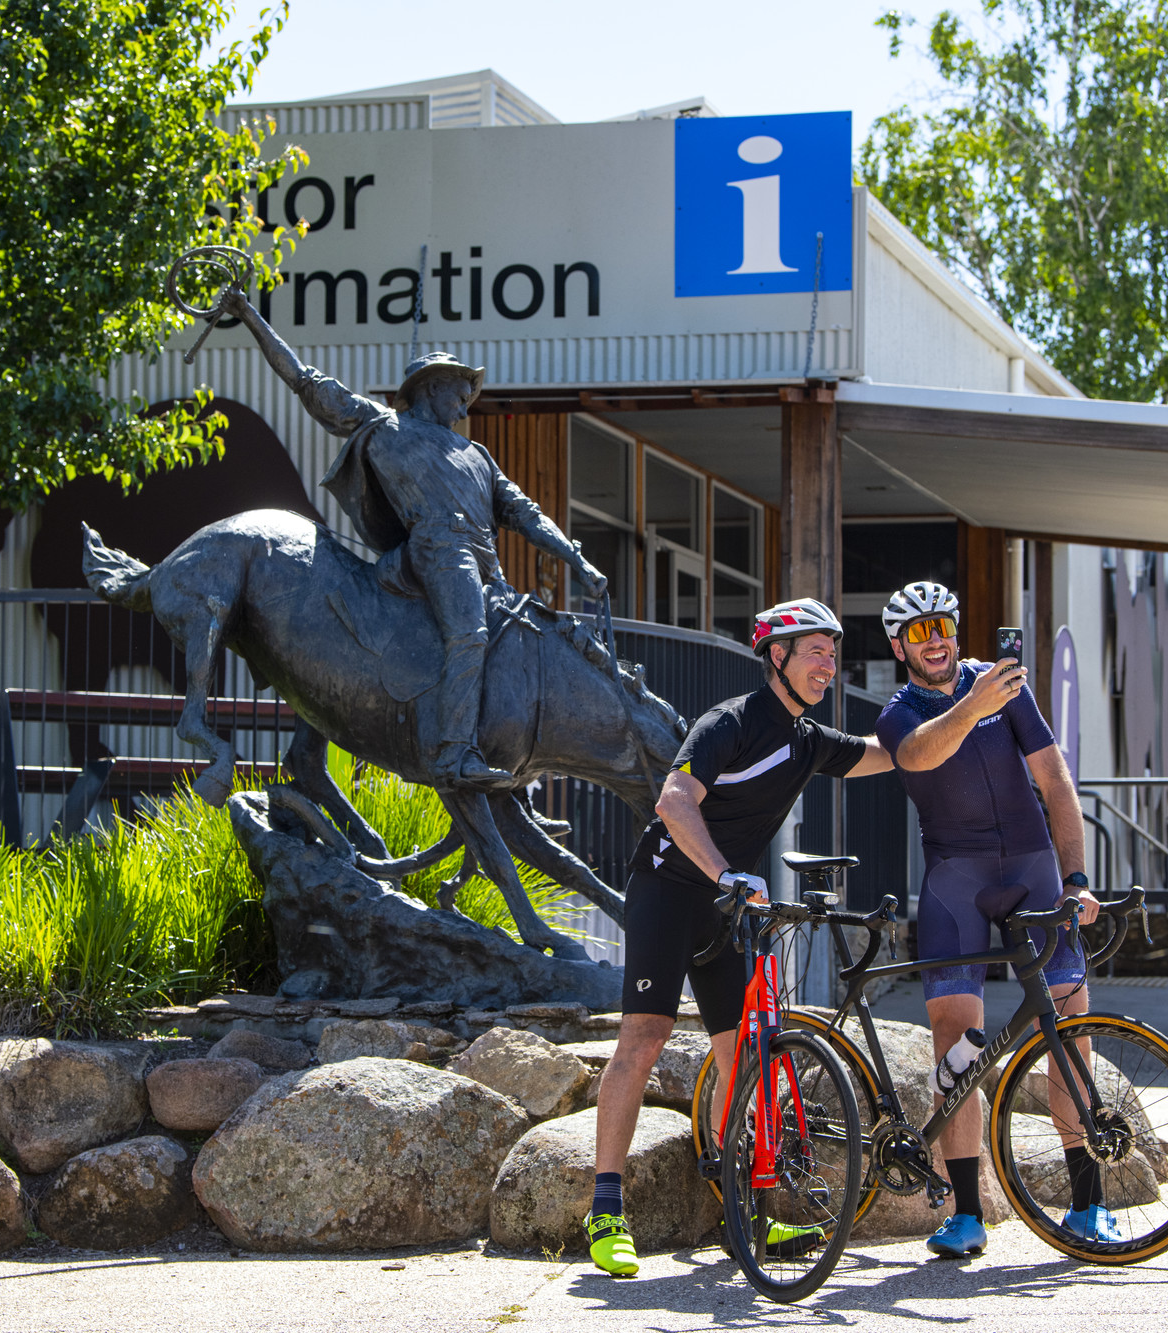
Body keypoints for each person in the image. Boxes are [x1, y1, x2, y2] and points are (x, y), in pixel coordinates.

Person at [586, 597, 894, 1277]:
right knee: (644, 1037)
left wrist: (958, 715)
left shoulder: (809, 739)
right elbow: (673, 801)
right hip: (670, 889)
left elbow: (893, 752)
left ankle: (741, 1211)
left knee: (744, 1056)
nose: (829, 663)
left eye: (833, 651)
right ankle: (605, 1207)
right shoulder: (728, 722)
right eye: (816, 649)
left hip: (728, 906)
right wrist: (726, 872)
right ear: (776, 655)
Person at [222, 287, 608, 786]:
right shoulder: (386, 428)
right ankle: (452, 752)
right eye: (459, 390)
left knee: (520, 648)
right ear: (430, 387)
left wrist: (577, 561)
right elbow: (307, 383)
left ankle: (511, 778)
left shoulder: (479, 457)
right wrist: (249, 316)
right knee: (471, 636)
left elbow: (527, 515)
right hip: (438, 553)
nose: (467, 403)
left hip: (485, 563)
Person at [872, 580, 1108, 1258]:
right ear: (899, 646)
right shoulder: (900, 711)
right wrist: (972, 705)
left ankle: (1087, 1203)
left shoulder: (1004, 687)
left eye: (942, 623)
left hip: (1033, 868)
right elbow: (917, 755)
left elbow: (1055, 780)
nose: (936, 637)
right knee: (956, 1042)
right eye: (918, 632)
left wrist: (1077, 877)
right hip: (956, 881)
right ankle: (967, 1213)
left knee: (1068, 1027)